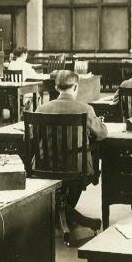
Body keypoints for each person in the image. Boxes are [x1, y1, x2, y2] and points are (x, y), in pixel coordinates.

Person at [35, 70, 108, 230]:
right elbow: (102, 134)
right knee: (77, 173)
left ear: (56, 87)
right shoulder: (85, 109)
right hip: (75, 167)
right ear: (76, 87)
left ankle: (60, 212)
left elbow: (32, 139)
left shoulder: (42, 109)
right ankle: (67, 214)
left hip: (44, 166)